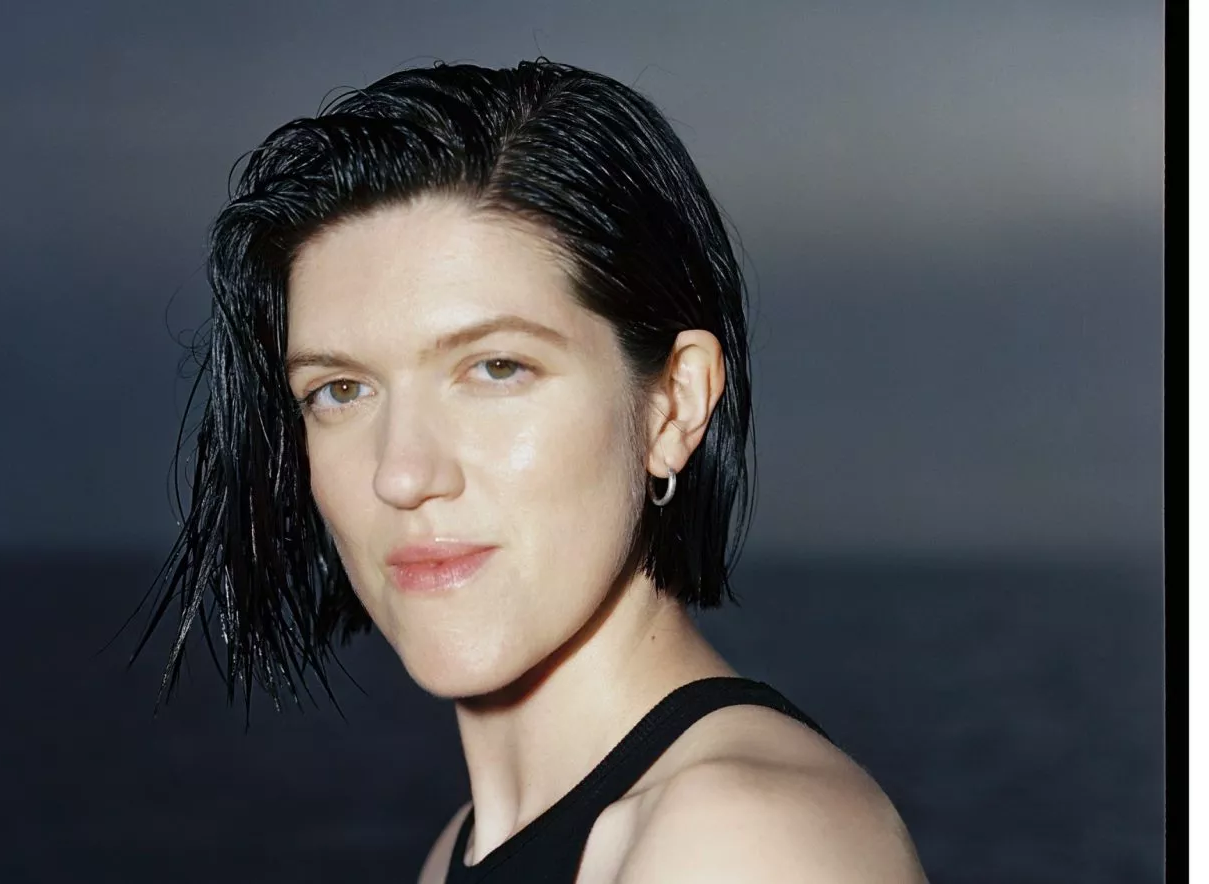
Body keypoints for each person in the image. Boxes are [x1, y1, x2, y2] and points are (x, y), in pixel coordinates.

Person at [137, 58, 929, 883]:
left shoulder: (744, 842)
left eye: (497, 368)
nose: (402, 474)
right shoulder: (463, 849)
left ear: (673, 405)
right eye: (340, 390)